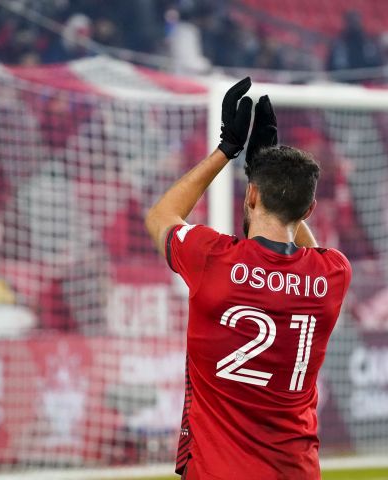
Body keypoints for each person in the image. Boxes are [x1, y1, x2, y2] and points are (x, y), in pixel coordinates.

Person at [145, 78, 351, 479]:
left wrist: (227, 150)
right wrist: (270, 171)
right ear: (309, 210)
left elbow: (161, 216)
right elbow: (307, 249)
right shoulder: (333, 274)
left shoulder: (212, 259)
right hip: (296, 471)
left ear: (251, 195)